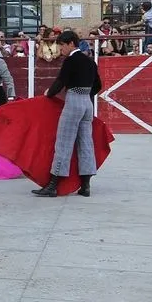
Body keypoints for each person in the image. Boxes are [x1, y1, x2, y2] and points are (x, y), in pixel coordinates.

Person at [33, 30, 102, 197]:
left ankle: (53, 185)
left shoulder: (71, 61)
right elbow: (98, 86)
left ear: (71, 43)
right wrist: (84, 93)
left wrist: (49, 94)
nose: (61, 49)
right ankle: (85, 186)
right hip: (87, 103)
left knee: (64, 142)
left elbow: (60, 82)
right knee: (85, 143)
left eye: (62, 45)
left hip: (74, 102)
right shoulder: (90, 61)